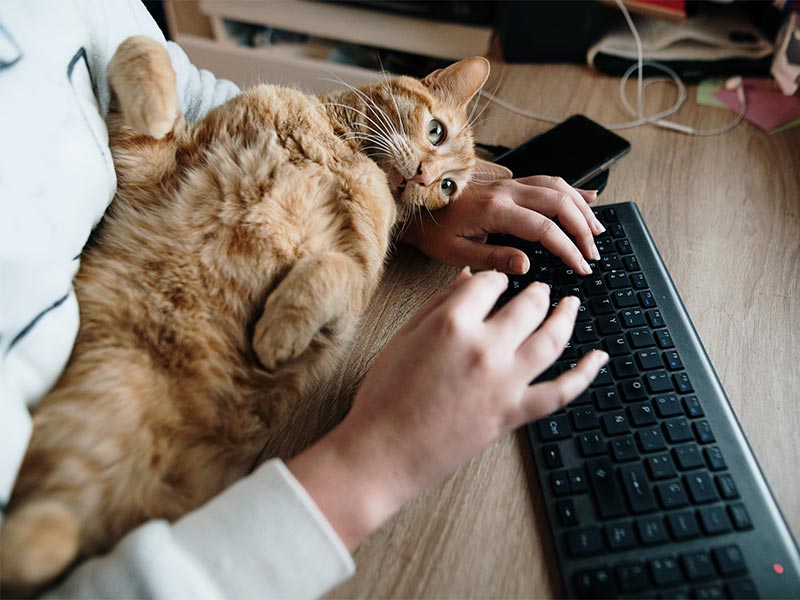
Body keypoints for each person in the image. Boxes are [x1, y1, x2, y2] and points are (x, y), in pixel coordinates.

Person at [0, 1, 608, 597]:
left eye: (444, 183)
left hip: (199, 366)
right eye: (436, 133)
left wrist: (424, 212)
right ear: (424, 85)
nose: (428, 174)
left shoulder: (360, 180)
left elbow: (197, 110)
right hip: (133, 324)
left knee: (107, 468)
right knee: (80, 470)